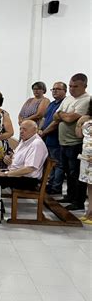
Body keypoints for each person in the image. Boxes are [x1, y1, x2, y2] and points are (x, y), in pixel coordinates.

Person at [0, 120, 48, 218]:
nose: (21, 131)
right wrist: (9, 158)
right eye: (20, 129)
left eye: (25, 129)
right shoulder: (25, 140)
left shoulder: (36, 144)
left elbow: (29, 168)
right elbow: (16, 156)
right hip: (17, 174)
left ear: (34, 130)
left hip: (28, 180)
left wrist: (6, 174)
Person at [54, 73, 90, 210]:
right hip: (63, 142)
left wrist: (64, 115)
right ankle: (69, 195)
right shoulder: (68, 99)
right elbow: (55, 116)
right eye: (70, 86)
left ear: (84, 86)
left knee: (76, 173)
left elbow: (69, 119)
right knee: (68, 172)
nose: (72, 89)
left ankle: (78, 201)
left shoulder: (86, 100)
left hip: (75, 143)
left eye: (75, 86)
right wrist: (65, 115)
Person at [38, 81, 67, 194]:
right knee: (50, 163)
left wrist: (44, 132)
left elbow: (56, 122)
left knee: (58, 164)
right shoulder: (52, 104)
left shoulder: (64, 104)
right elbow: (44, 118)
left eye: (58, 89)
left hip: (56, 138)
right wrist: (39, 129)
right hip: (47, 138)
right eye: (53, 89)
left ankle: (56, 187)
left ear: (65, 91)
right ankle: (50, 184)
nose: (55, 91)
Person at [75, 98, 92, 224]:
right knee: (89, 185)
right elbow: (79, 135)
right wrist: (79, 123)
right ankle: (89, 212)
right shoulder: (87, 118)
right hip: (86, 155)